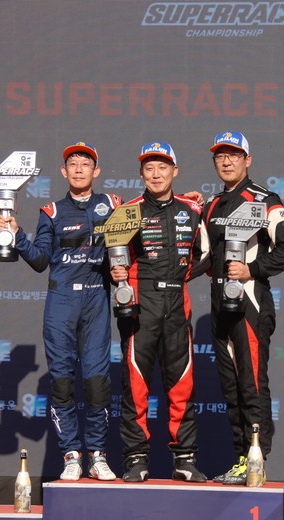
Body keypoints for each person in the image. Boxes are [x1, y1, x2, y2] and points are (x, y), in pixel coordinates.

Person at [0, 141, 120, 481]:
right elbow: (40, 261)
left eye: (86, 163)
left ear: (96, 171)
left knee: (97, 383)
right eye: (73, 164)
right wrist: (16, 235)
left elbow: (147, 214)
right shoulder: (50, 211)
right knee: (63, 382)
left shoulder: (113, 205)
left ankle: (97, 455)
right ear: (64, 172)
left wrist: (193, 200)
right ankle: (71, 455)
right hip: (61, 303)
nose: (79, 169)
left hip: (96, 301)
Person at [199, 131, 284, 485]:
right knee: (231, 389)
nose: (226, 161)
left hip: (250, 305)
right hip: (219, 306)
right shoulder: (212, 204)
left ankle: (257, 459)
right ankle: (241, 459)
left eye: (234, 155)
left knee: (252, 384)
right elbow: (202, 256)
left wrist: (252, 269)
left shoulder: (264, 200)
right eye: (220, 156)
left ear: (248, 160)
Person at [110, 141, 207, 483]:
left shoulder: (192, 209)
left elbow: (206, 254)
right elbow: (113, 256)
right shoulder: (127, 211)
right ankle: (136, 459)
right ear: (141, 173)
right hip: (141, 301)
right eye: (149, 168)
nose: (156, 174)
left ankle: (185, 459)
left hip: (177, 301)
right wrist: (117, 272)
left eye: (162, 167)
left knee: (182, 383)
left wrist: (181, 275)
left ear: (174, 171)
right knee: (136, 383)